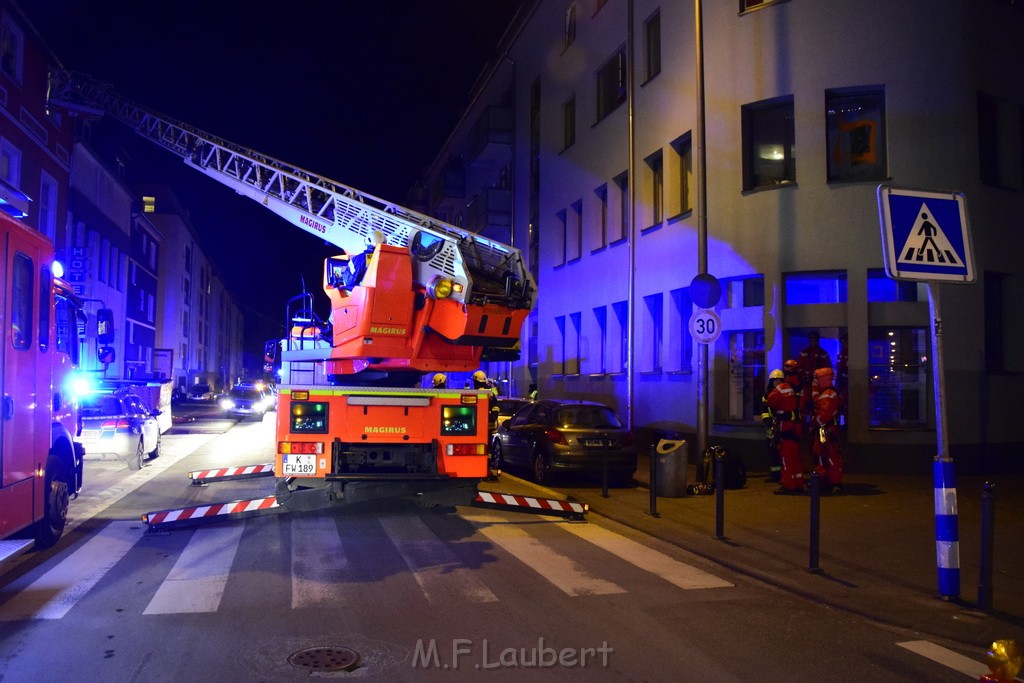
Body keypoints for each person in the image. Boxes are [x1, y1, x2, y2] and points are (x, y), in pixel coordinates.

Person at [765, 359, 808, 494]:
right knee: (796, 456)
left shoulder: (782, 388)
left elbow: (770, 400)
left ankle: (788, 485)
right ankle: (798, 483)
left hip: (786, 426)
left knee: (786, 457)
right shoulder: (801, 388)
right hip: (798, 426)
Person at [811, 366, 844, 493]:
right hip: (824, 429)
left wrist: (815, 422)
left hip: (827, 429)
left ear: (823, 379)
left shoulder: (828, 394)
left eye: (817, 379)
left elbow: (825, 414)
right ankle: (824, 480)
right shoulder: (825, 392)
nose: (815, 381)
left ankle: (835, 482)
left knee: (830, 456)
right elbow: (816, 401)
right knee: (820, 454)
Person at [760, 369, 785, 483]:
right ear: (771, 381)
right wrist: (767, 420)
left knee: (782, 452)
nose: (778, 382)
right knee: (772, 453)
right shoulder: (767, 395)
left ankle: (783, 475)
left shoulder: (785, 393)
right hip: (771, 427)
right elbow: (764, 410)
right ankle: (774, 475)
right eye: (775, 380)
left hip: (782, 426)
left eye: (780, 380)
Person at [797, 331, 832, 405]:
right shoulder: (804, 352)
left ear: (817, 340)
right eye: (811, 340)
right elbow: (799, 367)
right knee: (806, 401)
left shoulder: (823, 353)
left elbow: (828, 368)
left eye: (815, 340)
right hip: (807, 382)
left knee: (818, 401)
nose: (813, 341)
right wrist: (803, 376)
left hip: (819, 383)